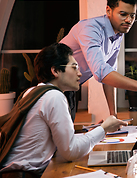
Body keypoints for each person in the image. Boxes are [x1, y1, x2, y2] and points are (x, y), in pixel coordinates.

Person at [0, 43, 128, 177]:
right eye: (74, 68)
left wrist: (95, 131)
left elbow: (61, 142)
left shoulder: (33, 91)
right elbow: (70, 151)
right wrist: (104, 129)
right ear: (55, 71)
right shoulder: (54, 96)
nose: (79, 74)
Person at [61, 0, 137, 117]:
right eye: (123, 14)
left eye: (132, 16)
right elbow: (101, 72)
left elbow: (109, 73)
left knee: (67, 136)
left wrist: (113, 115)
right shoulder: (91, 29)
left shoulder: (117, 34)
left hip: (69, 89)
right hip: (51, 85)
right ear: (108, 11)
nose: (129, 20)